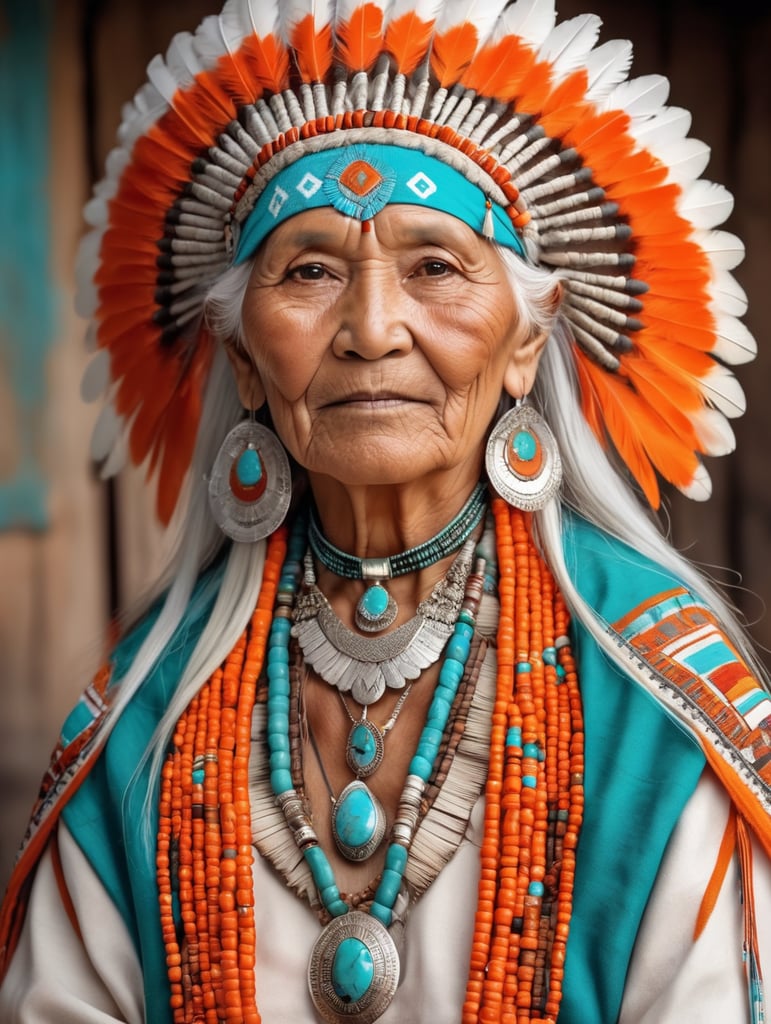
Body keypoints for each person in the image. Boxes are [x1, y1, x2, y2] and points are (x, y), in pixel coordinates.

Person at [1, 1, 769, 1022]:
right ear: (242, 353)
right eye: (309, 269)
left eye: (437, 268)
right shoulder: (146, 715)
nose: (371, 329)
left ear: (527, 343)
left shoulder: (655, 704)